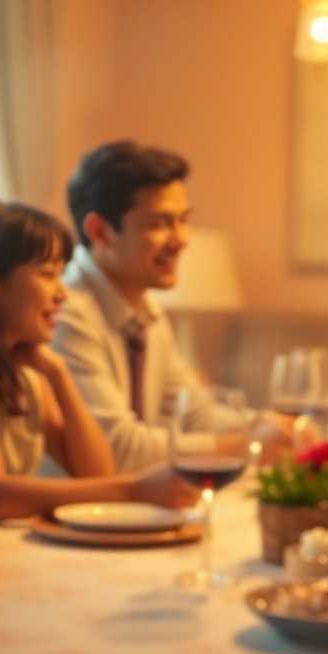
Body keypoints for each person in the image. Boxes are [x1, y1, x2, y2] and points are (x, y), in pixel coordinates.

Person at [0, 199, 192, 522]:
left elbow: (97, 472)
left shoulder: (27, 372)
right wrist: (134, 489)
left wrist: (58, 374)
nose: (62, 294)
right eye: (48, 275)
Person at [53, 141, 289, 473]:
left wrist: (268, 426)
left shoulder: (146, 311)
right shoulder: (64, 313)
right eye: (158, 223)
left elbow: (196, 413)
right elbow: (117, 449)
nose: (181, 240)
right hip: (75, 503)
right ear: (100, 231)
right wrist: (244, 445)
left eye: (182, 220)